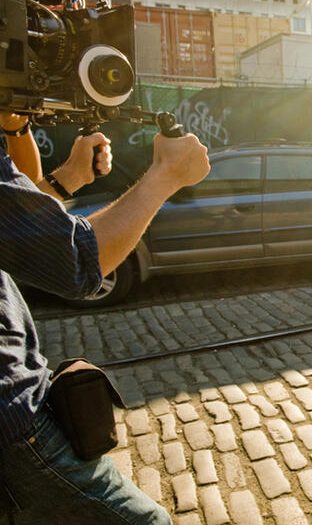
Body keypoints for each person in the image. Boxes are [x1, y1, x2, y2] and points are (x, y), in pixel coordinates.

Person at [0, 112, 210, 524]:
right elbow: (78, 263)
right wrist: (165, 175)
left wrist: (17, 132)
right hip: (12, 420)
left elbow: (17, 225)